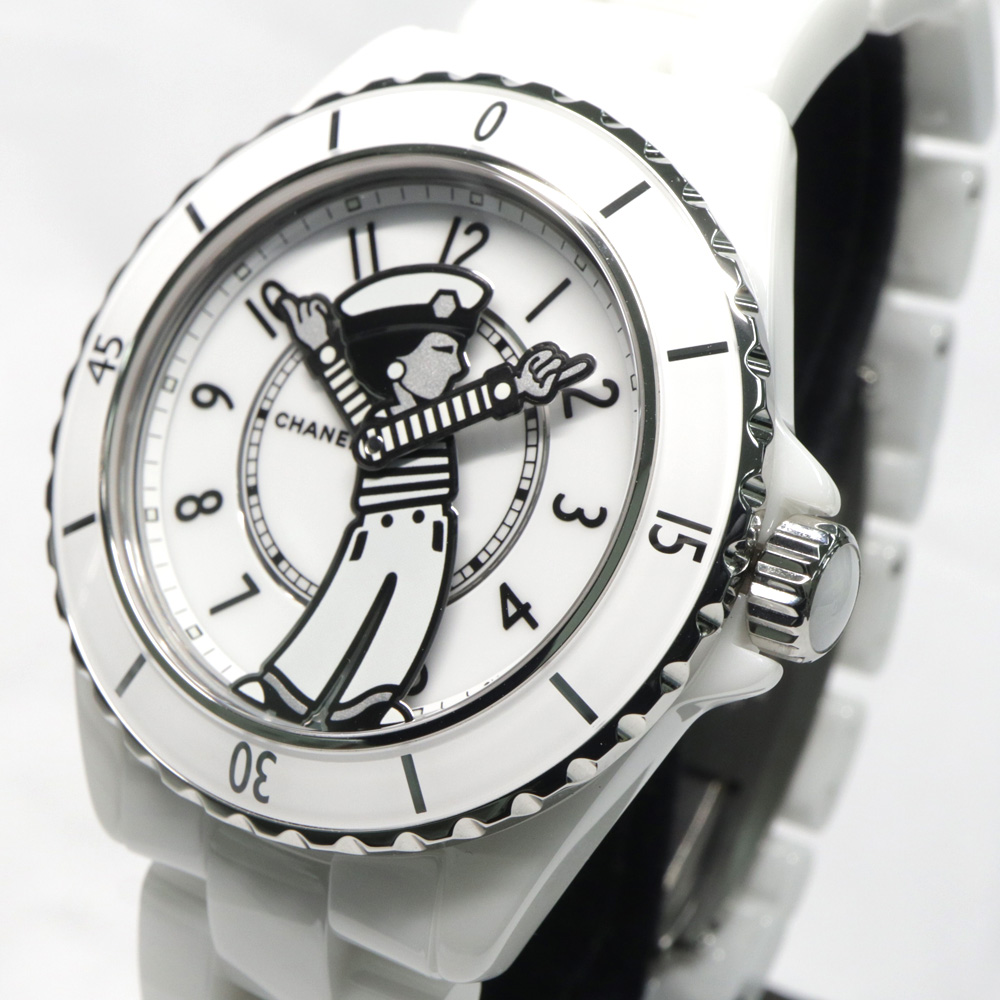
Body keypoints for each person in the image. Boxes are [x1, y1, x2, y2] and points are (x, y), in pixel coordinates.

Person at [235, 264, 592, 730]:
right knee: (341, 610)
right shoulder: (390, 426)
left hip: (429, 536)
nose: (460, 365)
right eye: (444, 350)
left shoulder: (410, 422)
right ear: (397, 366)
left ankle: (367, 702)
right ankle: (284, 690)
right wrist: (510, 387)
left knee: (408, 619)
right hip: (376, 533)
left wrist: (324, 346)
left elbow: (429, 419)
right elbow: (397, 431)